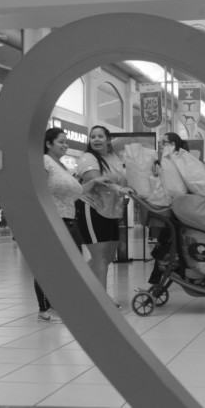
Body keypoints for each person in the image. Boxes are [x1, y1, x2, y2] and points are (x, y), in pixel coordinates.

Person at [39, 128, 109, 321]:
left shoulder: (62, 166)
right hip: (53, 220)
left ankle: (61, 304)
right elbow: (38, 190)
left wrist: (94, 181)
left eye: (66, 142)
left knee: (70, 266)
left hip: (69, 221)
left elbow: (77, 191)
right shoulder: (44, 162)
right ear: (48, 144)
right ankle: (46, 309)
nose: (65, 145)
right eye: (61, 142)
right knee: (51, 266)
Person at [76, 125, 133, 307]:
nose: (96, 139)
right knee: (100, 256)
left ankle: (76, 283)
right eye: (93, 136)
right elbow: (97, 181)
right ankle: (101, 301)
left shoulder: (113, 157)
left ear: (108, 139)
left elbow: (122, 179)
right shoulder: (88, 158)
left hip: (111, 211)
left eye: (100, 136)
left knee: (108, 256)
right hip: (91, 208)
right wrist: (119, 189)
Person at [148, 132, 188, 285]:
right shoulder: (166, 161)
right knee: (166, 240)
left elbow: (175, 188)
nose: (160, 145)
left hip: (178, 209)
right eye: (160, 142)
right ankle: (156, 278)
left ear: (173, 145)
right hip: (174, 209)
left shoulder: (175, 160)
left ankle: (157, 279)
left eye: (164, 142)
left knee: (167, 240)